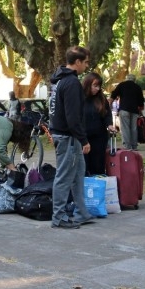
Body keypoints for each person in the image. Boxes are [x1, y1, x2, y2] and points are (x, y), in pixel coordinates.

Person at [49, 45, 95, 229]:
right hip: (67, 137)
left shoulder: (59, 80)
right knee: (64, 176)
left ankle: (82, 212)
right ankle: (58, 217)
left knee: (77, 173)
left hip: (63, 135)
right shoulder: (72, 83)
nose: (87, 66)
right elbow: (72, 116)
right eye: (85, 62)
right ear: (77, 62)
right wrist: (83, 139)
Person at [81, 72, 114, 176]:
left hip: (99, 137)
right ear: (88, 84)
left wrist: (109, 124)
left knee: (98, 166)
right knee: (84, 166)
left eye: (99, 86)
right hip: (84, 138)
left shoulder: (101, 98)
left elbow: (107, 114)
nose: (97, 89)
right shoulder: (79, 97)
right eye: (95, 85)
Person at [110, 74, 145, 150]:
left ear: (126, 79)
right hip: (134, 110)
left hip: (124, 109)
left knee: (125, 128)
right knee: (134, 128)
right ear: (134, 80)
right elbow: (141, 101)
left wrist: (110, 104)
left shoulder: (122, 85)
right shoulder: (137, 87)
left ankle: (127, 146)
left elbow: (113, 94)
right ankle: (134, 146)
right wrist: (140, 110)